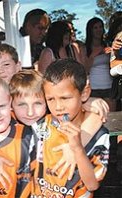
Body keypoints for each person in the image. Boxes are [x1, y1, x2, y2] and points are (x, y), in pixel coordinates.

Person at [31, 59, 110, 197]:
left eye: (65, 98)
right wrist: (87, 103)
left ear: (84, 93)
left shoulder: (99, 135)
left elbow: (92, 185)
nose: (58, 107)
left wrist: (78, 149)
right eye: (50, 99)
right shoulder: (41, 125)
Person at [84, 17, 115, 111]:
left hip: (109, 86)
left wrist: (114, 53)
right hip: (93, 88)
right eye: (95, 27)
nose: (99, 30)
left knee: (112, 118)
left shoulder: (108, 44)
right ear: (90, 30)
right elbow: (85, 69)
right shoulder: (85, 48)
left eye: (100, 27)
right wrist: (97, 53)